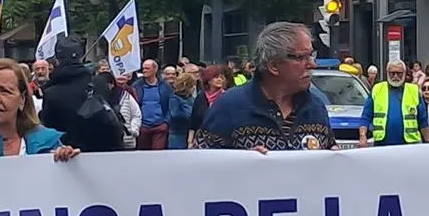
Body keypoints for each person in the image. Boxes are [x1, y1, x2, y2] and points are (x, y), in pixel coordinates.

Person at [193, 22, 333, 152]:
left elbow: (328, 152)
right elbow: (201, 163)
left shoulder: (316, 107)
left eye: (311, 55)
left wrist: (338, 157)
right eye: (302, 57)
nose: (312, 64)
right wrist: (240, 162)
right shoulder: (230, 106)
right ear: (273, 66)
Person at [39, 37, 128, 153]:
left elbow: (49, 132)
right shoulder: (100, 83)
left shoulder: (51, 93)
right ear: (80, 57)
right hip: (106, 154)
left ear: (57, 59)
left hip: (68, 159)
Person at [362, 60, 429, 146]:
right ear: (387, 73)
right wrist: (362, 136)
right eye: (392, 73)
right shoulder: (377, 89)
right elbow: (365, 117)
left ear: (404, 73)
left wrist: (428, 143)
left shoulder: (413, 90)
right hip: (382, 144)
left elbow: (423, 121)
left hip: (409, 144)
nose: (395, 76)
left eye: (399, 73)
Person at [134, 59, 173, 151]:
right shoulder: (136, 86)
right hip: (143, 126)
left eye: (147, 68)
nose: (144, 71)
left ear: (155, 69)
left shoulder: (165, 86)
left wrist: (166, 122)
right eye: (143, 68)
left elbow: (171, 105)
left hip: (160, 126)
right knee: (143, 155)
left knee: (158, 154)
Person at [167, 68, 200, 150]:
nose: (194, 88)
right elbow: (175, 114)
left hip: (189, 133)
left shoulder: (191, 98)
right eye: (192, 85)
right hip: (177, 133)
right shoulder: (174, 98)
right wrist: (192, 116)